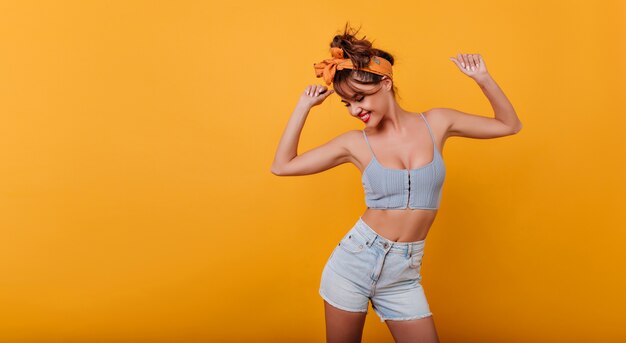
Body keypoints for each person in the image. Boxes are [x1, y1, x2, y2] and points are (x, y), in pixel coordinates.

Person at [270, 23, 522, 343]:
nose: (355, 110)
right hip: (354, 264)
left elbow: (509, 125)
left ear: (386, 83)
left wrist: (483, 79)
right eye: (347, 103)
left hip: (403, 275)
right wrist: (303, 107)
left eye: (360, 97)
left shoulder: (437, 122)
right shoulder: (353, 143)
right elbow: (282, 166)